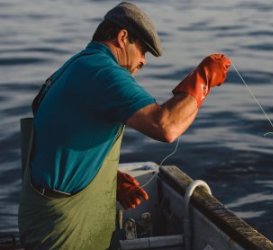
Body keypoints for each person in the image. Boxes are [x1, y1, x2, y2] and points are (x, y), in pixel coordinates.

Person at [18, 2, 231, 249]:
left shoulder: (78, 65)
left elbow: (61, 139)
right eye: (143, 50)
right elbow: (166, 126)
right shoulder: (102, 71)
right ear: (122, 37)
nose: (143, 61)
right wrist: (203, 78)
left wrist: (110, 180)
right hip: (64, 228)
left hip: (48, 213)